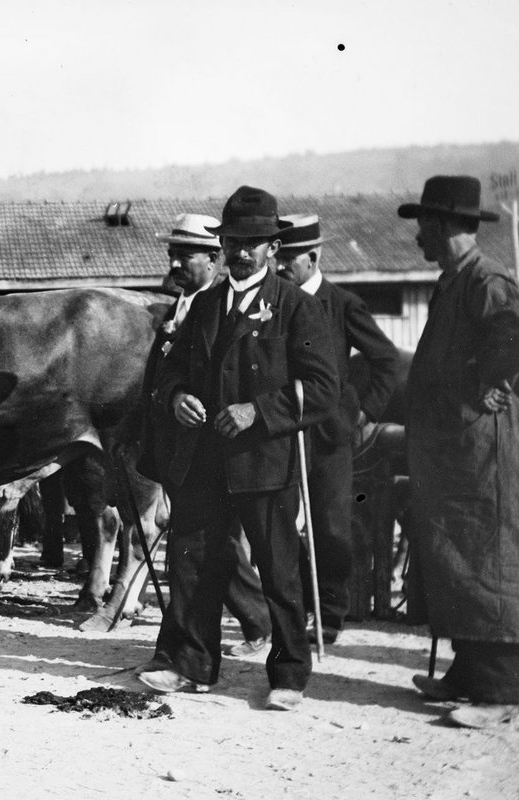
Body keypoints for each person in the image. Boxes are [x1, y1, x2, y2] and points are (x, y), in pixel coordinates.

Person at [134, 186, 338, 712]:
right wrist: (177, 397)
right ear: (221, 244)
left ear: (274, 248)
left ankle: (289, 675)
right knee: (195, 565)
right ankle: (193, 666)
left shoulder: (296, 308)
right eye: (232, 242)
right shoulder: (203, 306)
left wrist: (258, 412)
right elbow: (173, 372)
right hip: (203, 462)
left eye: (254, 243)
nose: (241, 252)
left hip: (265, 465)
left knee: (278, 571)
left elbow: (321, 389)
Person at [397, 175, 519, 729]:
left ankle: (500, 695)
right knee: (461, 558)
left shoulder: (485, 279)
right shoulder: (456, 280)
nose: (418, 237)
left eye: (423, 226)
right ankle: (468, 675)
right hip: (461, 453)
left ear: (444, 226)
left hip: (489, 454)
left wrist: (484, 377)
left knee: (491, 561)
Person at [136, 213, 272, 660]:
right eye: (171, 254)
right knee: (197, 546)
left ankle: (206, 642)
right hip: (177, 446)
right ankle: (248, 626)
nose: (174, 264)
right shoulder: (180, 306)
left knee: (204, 546)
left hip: (216, 451)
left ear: (215, 259)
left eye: (185, 255)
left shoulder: (221, 308)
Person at [274, 214, 402, 645]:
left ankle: (329, 614)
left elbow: (385, 359)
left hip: (329, 435)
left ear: (313, 257)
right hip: (280, 431)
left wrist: (364, 411)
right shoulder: (272, 302)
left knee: (330, 526)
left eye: (289, 258)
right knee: (279, 526)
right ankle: (295, 611)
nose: (280, 266)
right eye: (278, 256)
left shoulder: (343, 304)